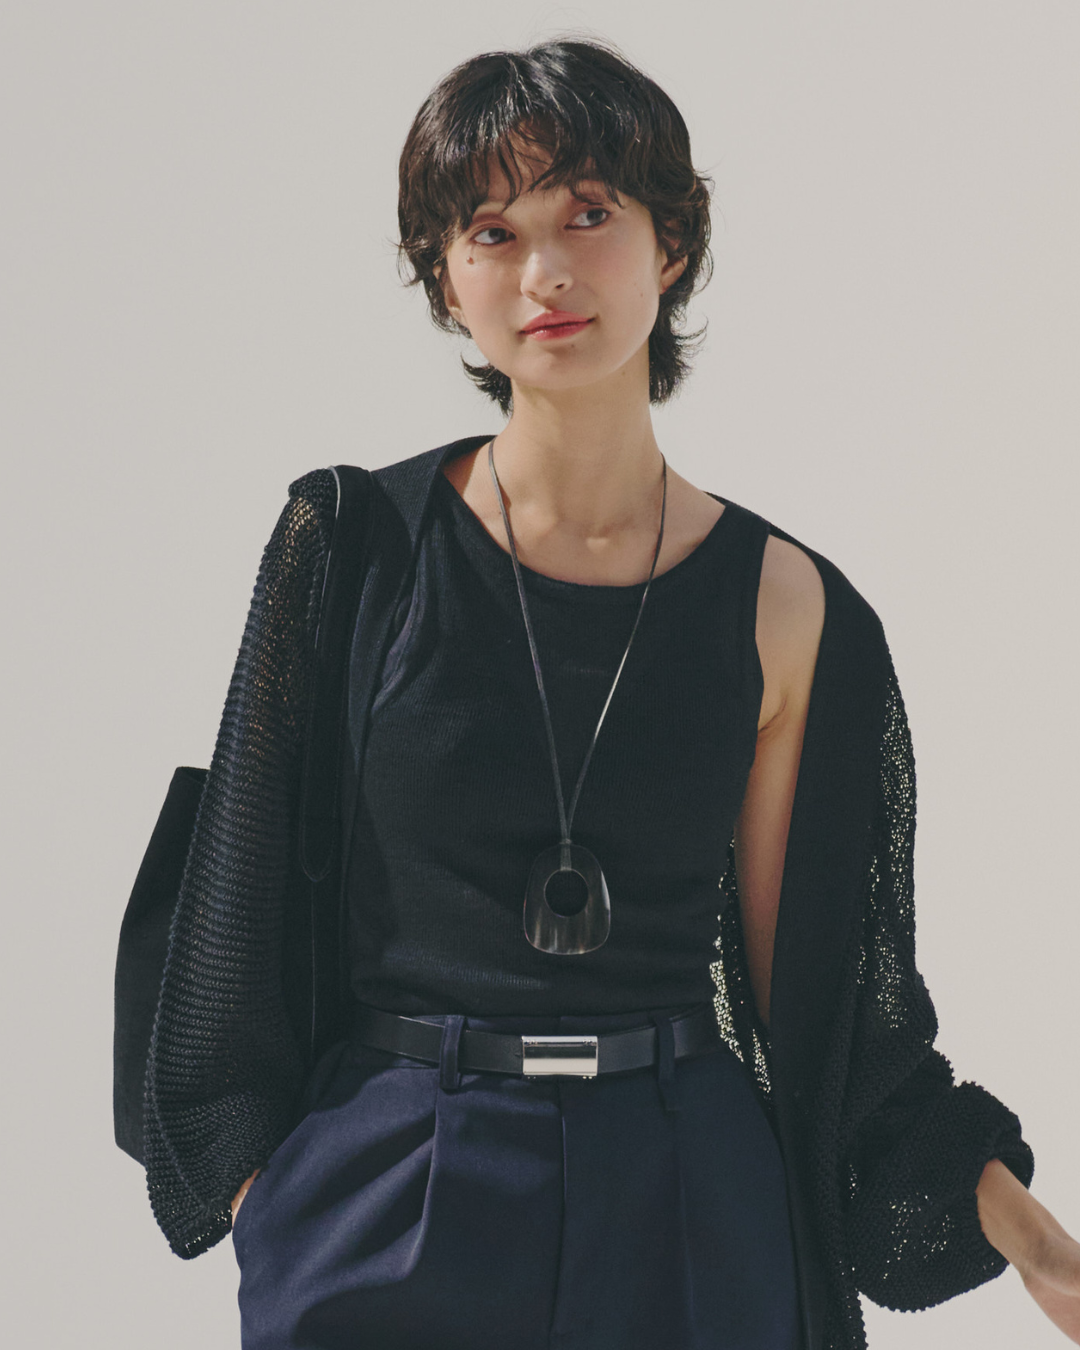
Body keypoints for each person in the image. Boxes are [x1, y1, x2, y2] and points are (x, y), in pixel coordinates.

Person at [136, 36, 1080, 1350]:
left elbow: (829, 1017)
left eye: (588, 213)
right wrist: (280, 1206)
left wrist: (1038, 1239)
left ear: (671, 242)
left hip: (687, 1196)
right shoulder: (357, 550)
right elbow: (224, 939)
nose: (546, 271)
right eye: (491, 231)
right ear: (444, 277)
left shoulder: (786, 607)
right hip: (395, 1181)